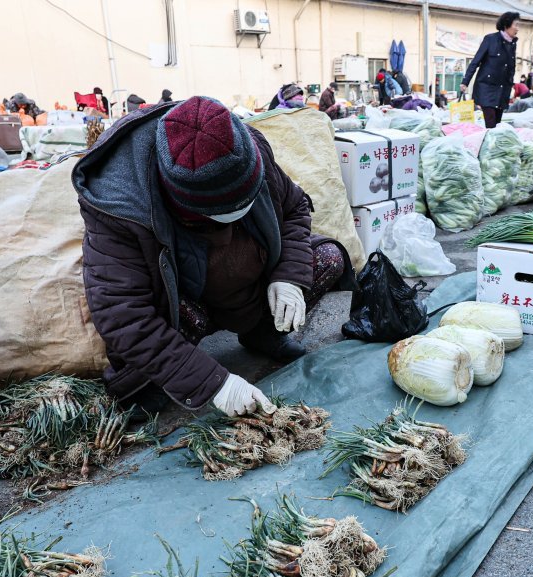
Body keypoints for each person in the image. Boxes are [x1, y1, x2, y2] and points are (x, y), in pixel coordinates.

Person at [71, 96, 346, 418]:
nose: (236, 214)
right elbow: (121, 313)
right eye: (223, 212)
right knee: (157, 349)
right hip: (188, 302)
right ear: (186, 204)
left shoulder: (244, 147)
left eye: (244, 201)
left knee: (326, 258)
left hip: (249, 285)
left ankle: (263, 332)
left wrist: (288, 277)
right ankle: (156, 379)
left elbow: (294, 207)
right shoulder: (120, 202)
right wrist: (212, 383)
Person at [462, 12, 520, 128]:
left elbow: (511, 68)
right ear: (506, 25)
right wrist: (465, 81)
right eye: (516, 25)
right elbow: (476, 61)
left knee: (497, 125)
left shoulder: (512, 44)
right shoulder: (490, 39)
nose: (518, 29)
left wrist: (511, 86)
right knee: (491, 124)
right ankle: (489, 144)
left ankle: (493, 144)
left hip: (503, 90)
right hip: (486, 89)